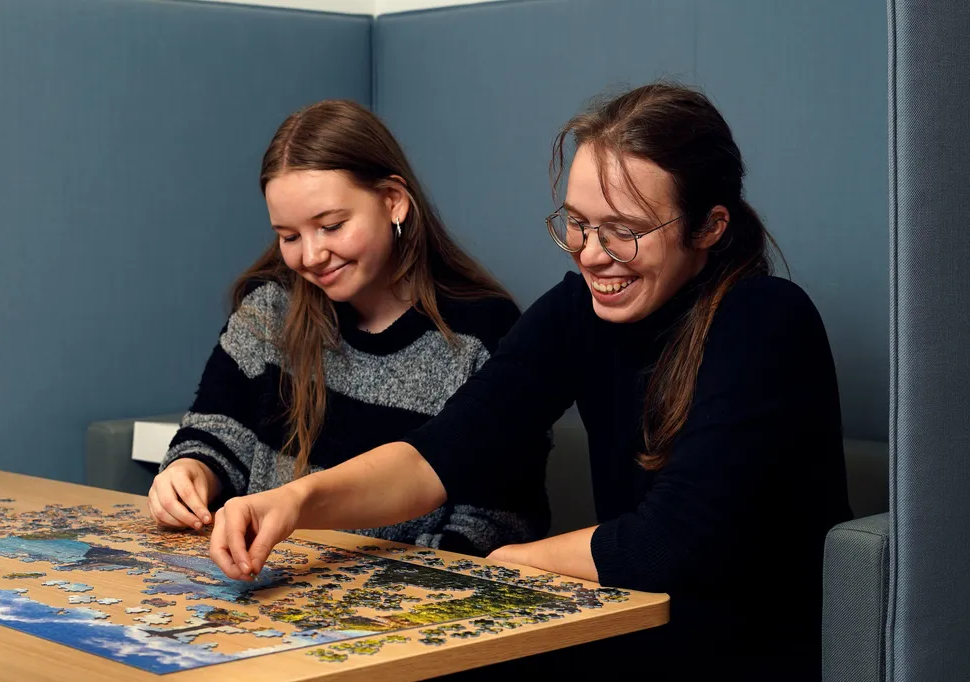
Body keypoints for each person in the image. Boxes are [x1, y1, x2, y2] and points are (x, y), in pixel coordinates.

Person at [206, 83, 852, 680]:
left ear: (709, 226)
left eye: (623, 231)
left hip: (750, 650)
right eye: (577, 222)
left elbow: (674, 542)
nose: (592, 253)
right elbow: (443, 453)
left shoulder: (767, 318)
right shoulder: (578, 311)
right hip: (634, 622)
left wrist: (512, 564)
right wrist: (295, 504)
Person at [147, 99, 551, 556]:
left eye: (332, 226)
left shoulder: (482, 333)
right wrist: (190, 471)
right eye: (289, 237)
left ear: (393, 202)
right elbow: (217, 430)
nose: (312, 255)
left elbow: (497, 519)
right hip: (261, 583)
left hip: (396, 611)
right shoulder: (269, 309)